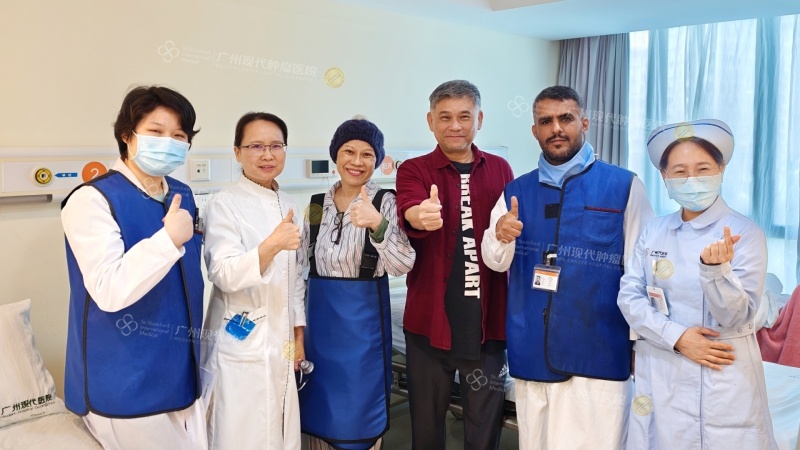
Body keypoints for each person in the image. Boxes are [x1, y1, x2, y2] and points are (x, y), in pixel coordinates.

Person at [481, 85, 654, 450]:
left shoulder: (624, 186)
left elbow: (644, 272)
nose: (556, 128)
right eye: (546, 121)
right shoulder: (515, 192)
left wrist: (641, 344)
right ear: (535, 130)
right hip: (534, 343)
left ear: (584, 123)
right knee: (538, 442)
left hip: (600, 346)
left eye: (566, 118)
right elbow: (494, 261)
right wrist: (500, 235)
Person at [617, 119, 777, 449]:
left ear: (721, 169)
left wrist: (714, 271)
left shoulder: (745, 233)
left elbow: (736, 316)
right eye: (679, 171)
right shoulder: (654, 231)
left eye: (703, 169)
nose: (691, 180)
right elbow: (630, 297)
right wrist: (677, 337)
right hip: (662, 365)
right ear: (664, 177)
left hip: (721, 372)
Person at [61, 85, 206, 449]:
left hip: (181, 370)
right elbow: (109, 289)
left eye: (179, 136)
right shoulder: (92, 199)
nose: (168, 143)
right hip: (124, 380)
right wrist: (167, 240)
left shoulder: (181, 194)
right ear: (127, 136)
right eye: (156, 132)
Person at [396, 80, 514, 449]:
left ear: (479, 119)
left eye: (464, 116)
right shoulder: (413, 169)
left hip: (487, 326)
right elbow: (409, 207)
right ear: (430, 121)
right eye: (445, 117)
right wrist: (420, 215)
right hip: (428, 324)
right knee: (426, 430)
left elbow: (507, 228)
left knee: (484, 430)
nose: (455, 126)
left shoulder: (500, 168)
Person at [298, 117, 415, 450]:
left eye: (367, 154)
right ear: (336, 155)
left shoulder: (386, 202)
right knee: (318, 416)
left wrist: (378, 226)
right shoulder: (316, 206)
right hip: (318, 333)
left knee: (358, 421)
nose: (357, 161)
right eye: (349, 151)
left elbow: (402, 264)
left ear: (377, 160)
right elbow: (298, 269)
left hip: (363, 337)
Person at [202, 112, 305, 450]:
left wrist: (298, 338)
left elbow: (296, 280)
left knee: (280, 429)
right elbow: (223, 273)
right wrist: (271, 245)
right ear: (237, 152)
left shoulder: (289, 204)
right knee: (241, 433)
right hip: (240, 340)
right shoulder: (223, 204)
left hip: (281, 341)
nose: (267, 155)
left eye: (276, 146)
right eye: (256, 146)